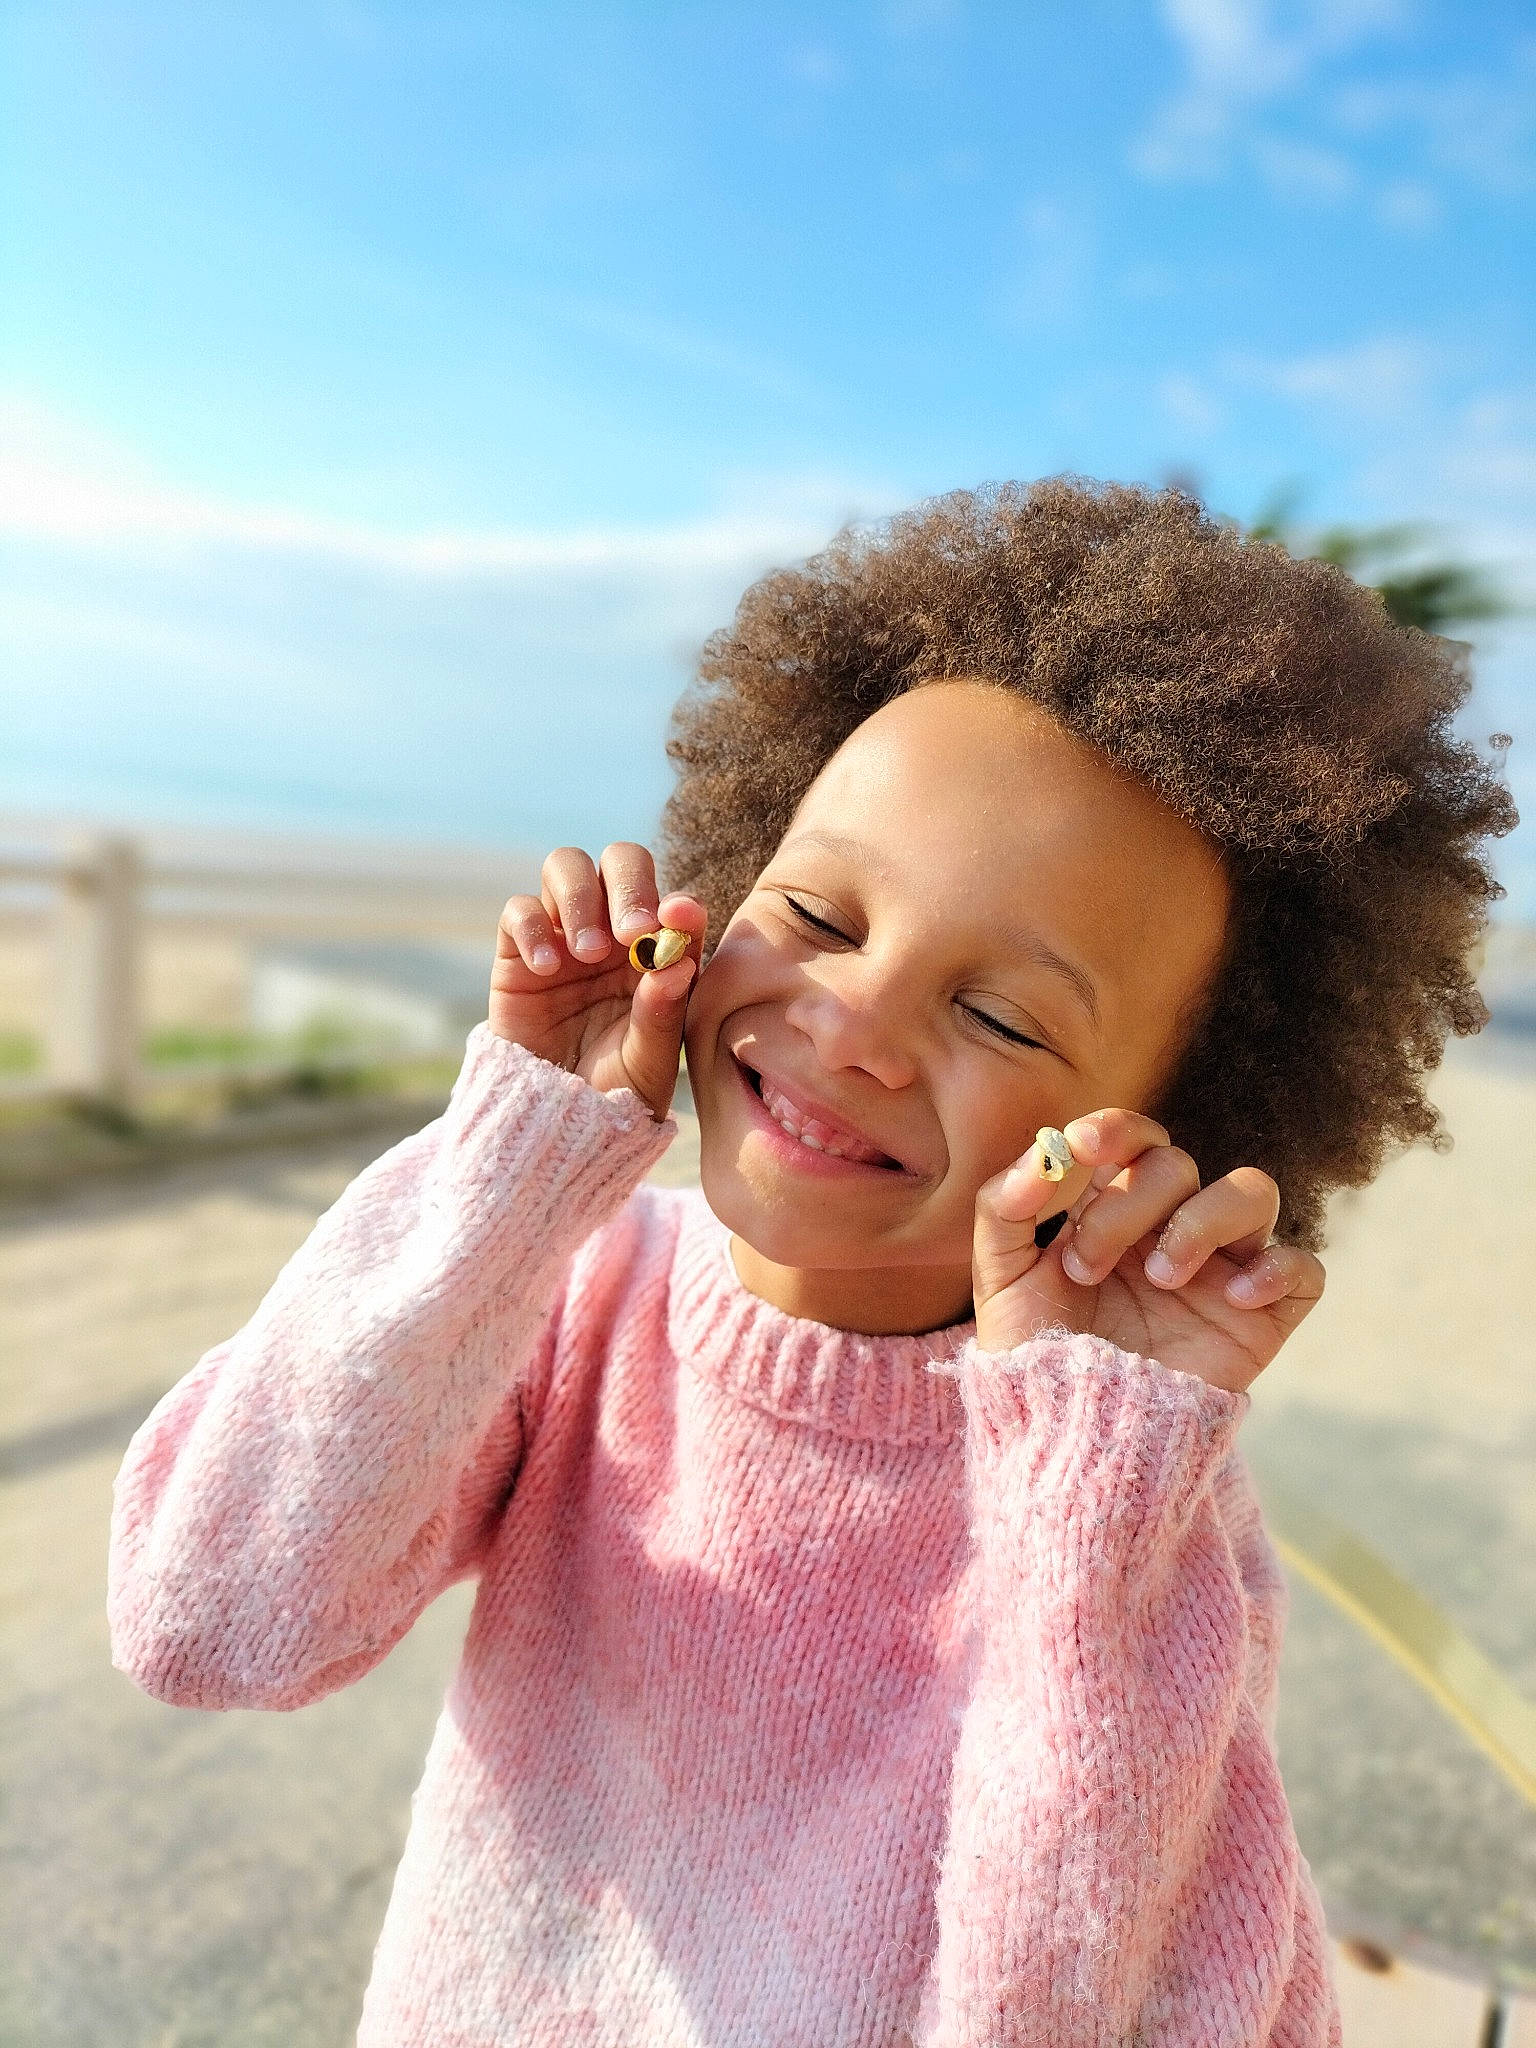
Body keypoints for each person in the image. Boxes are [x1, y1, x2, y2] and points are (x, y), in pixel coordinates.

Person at [107, 478, 1517, 2045]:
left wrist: (1091, 1484)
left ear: (1153, 1135)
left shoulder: (1128, 1520)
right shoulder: (571, 1295)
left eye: (999, 1016)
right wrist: (510, 1164)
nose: (852, 1023)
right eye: (818, 913)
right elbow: (213, 1623)